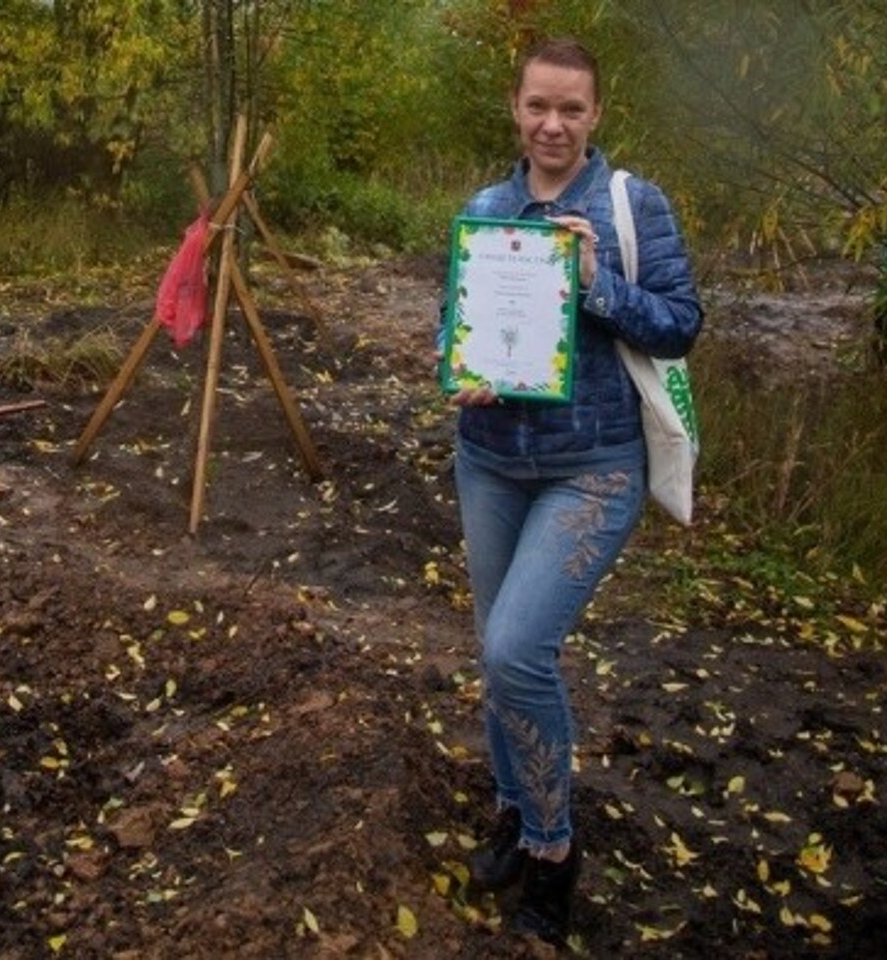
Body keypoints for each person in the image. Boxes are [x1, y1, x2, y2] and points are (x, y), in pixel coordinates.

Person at [441, 37, 702, 945]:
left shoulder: (631, 206)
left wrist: (600, 283)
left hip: (591, 468)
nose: (553, 125)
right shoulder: (486, 207)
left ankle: (554, 850)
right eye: (538, 107)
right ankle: (514, 810)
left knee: (518, 649)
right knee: (498, 655)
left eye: (572, 109)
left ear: (596, 116)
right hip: (490, 462)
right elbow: (457, 321)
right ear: (515, 110)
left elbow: (680, 327)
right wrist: (462, 369)